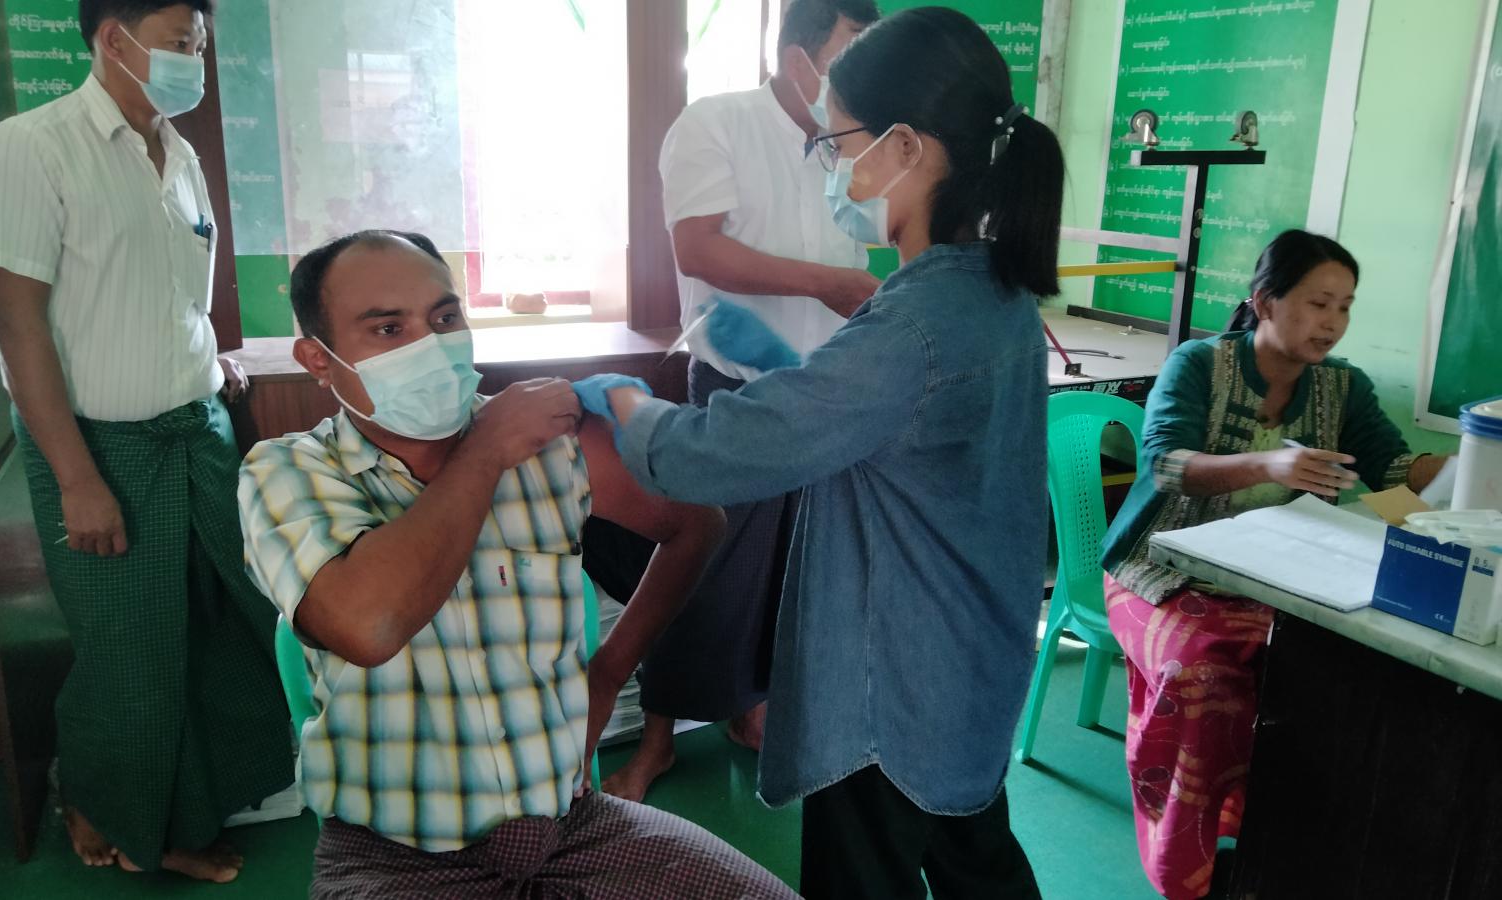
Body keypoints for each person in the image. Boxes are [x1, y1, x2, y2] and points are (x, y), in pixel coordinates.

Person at [579, 9, 1062, 898]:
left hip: (893, 688)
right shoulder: (995, 295)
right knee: (978, 861)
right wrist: (786, 370)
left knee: (867, 872)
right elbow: (898, 434)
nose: (832, 168)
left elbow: (711, 456)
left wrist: (625, 405)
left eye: (836, 144)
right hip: (971, 663)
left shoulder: (912, 325)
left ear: (906, 148)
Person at [236, 231, 797, 899]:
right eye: (389, 329)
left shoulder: (548, 447)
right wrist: (487, 451)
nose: (430, 345)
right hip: (394, 856)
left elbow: (696, 523)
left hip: (573, 828)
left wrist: (608, 673)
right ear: (318, 360)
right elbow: (368, 626)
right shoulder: (287, 471)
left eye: (445, 318)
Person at [0, 0, 293, 882]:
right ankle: (119, 814)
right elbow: (19, 327)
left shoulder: (177, 155)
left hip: (197, 432)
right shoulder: (29, 151)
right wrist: (76, 479)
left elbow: (164, 295)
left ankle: (190, 801)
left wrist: (203, 357)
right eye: (181, 43)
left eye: (201, 46)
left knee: (223, 624)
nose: (195, 63)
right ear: (113, 39)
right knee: (130, 653)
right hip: (101, 450)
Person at [1098, 230, 1451, 900]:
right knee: (1201, 680)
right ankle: (1187, 867)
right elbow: (1167, 464)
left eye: (1345, 307)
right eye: (1318, 303)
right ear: (1264, 302)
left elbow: (1393, 471)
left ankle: (1278, 853)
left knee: (1330, 680)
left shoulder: (1343, 388)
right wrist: (1270, 464)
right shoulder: (1199, 365)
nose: (1333, 322)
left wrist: (1469, 466)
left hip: (1273, 581)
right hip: (1157, 572)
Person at [597, 0, 883, 806]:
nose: (864, 74)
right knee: (705, 571)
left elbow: (875, 235)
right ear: (799, 58)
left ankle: (754, 713)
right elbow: (698, 249)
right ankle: (657, 743)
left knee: (799, 575)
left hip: (825, 397)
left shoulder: (854, 143)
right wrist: (827, 283)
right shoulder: (715, 123)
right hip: (741, 391)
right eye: (852, 53)